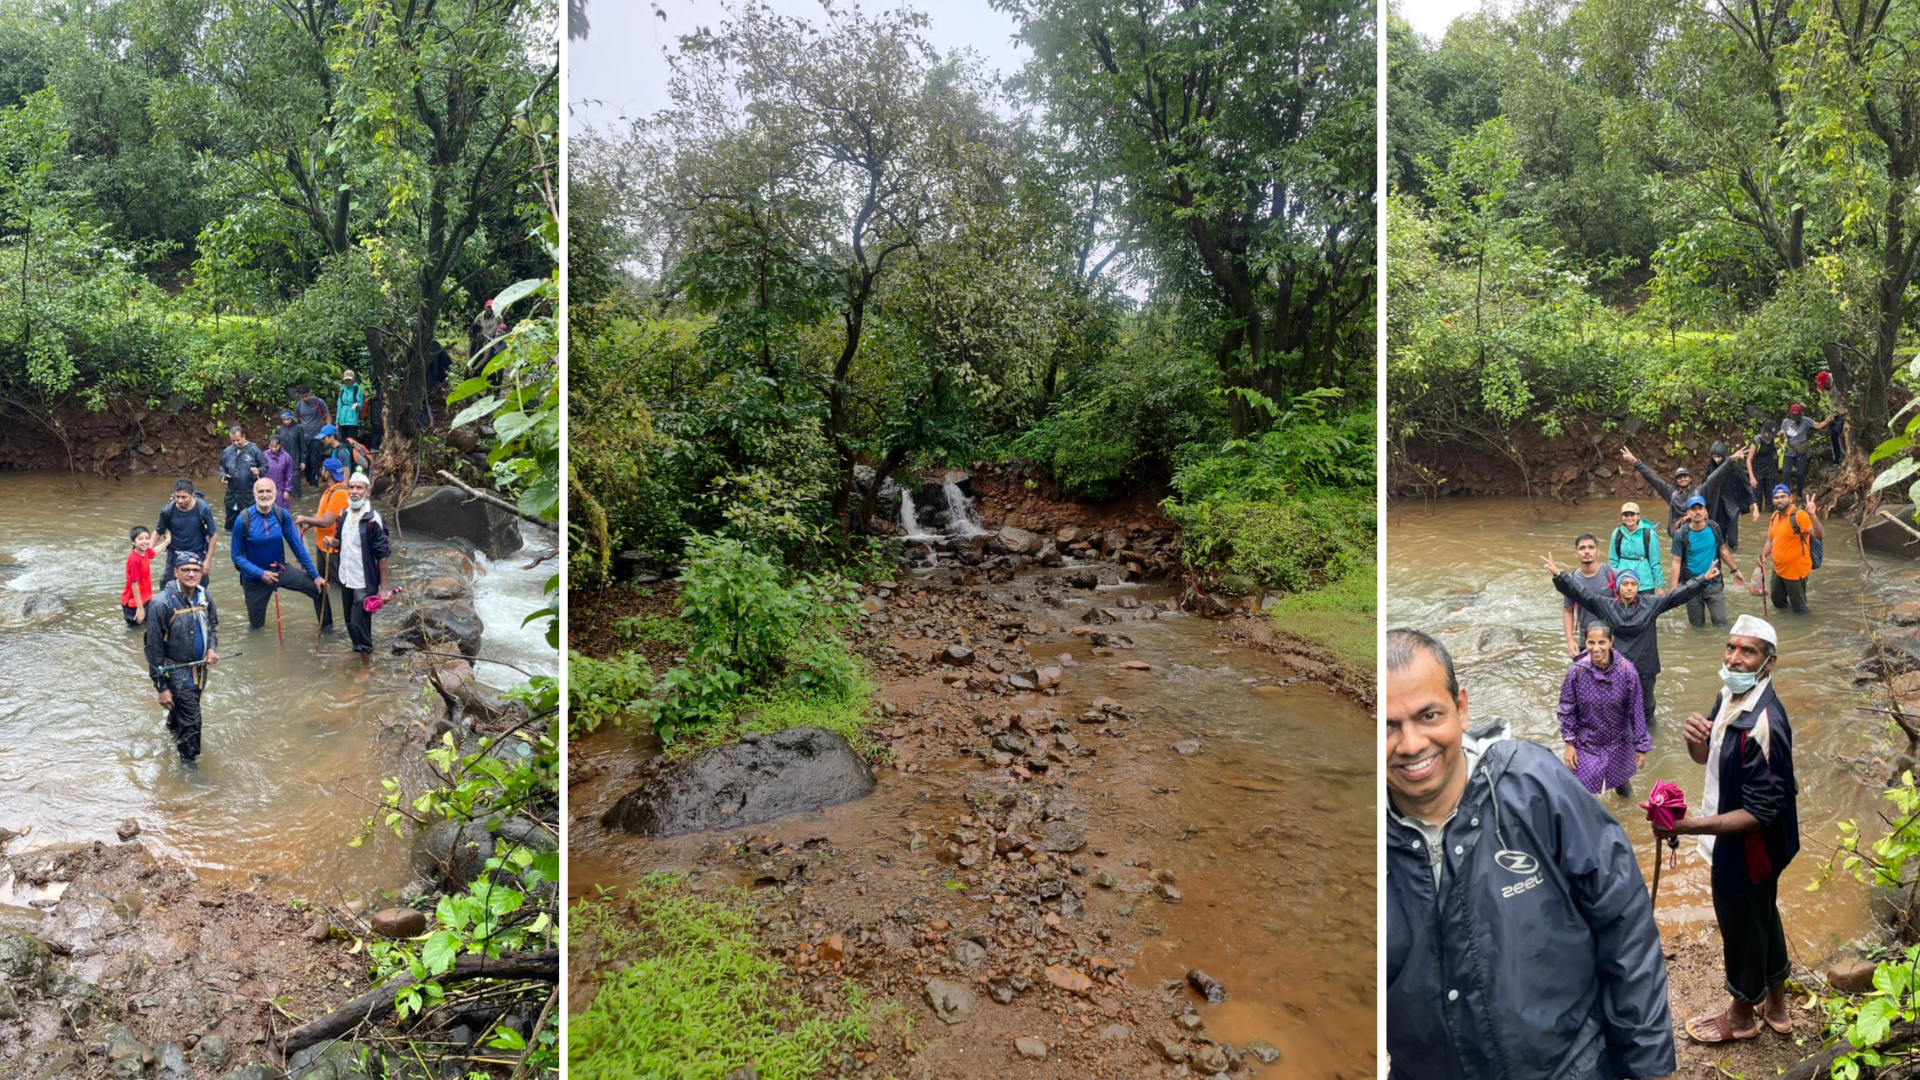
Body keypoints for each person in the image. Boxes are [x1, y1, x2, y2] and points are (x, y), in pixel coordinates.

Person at [1385, 628, 1675, 1080]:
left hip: (1571, 1067)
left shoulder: (1534, 787)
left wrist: (1647, 1065)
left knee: (1617, 790)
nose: (1410, 743)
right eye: (1387, 725)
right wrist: (1572, 740)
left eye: (1428, 715)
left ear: (1461, 708)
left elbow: (1624, 919)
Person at [1653, 615, 1799, 1044]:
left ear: (1768, 663)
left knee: (1739, 926)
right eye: (1732, 647)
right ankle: (1776, 1006)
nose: (1735, 658)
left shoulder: (1765, 722)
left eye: (1747, 651)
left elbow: (1762, 811)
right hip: (1740, 841)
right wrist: (1693, 740)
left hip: (1751, 846)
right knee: (1761, 916)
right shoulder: (1730, 694)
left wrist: (1690, 825)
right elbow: (1706, 759)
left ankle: (1740, 1016)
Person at [1552, 554, 1714, 726]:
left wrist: (1703, 579)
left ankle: (1649, 743)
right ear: (1619, 587)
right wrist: (1559, 575)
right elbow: (1582, 594)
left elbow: (1678, 595)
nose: (1629, 588)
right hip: (1618, 669)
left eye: (1633, 584)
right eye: (1625, 584)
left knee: (1646, 712)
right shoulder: (1607, 605)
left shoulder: (1651, 603)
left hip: (1645, 668)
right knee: (1617, 710)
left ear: (1638, 587)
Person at [143, 553, 219, 763]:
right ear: (176, 572)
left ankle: (170, 732)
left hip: (200, 671)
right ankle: (188, 770)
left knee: (183, 714)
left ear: (201, 573)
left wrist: (212, 649)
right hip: (176, 673)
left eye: (196, 570)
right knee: (193, 722)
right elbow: (153, 648)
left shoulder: (205, 596)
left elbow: (212, 626)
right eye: (185, 570)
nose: (191, 574)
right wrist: (161, 688)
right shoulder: (161, 604)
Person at [1558, 622, 1648, 798]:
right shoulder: (1576, 672)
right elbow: (1566, 709)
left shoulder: (1627, 671)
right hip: (1587, 741)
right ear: (1585, 642)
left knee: (1622, 786)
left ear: (1611, 641)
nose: (1596, 648)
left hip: (1619, 740)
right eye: (1591, 643)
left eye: (1602, 642)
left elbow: (1636, 711)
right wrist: (1569, 744)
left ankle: (1628, 819)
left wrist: (1641, 746)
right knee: (1581, 790)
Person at [230, 478, 326, 630]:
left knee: (320, 589)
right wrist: (261, 573)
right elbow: (236, 556)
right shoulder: (243, 520)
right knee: (256, 627)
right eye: (261, 491)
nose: (265, 495)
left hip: (281, 570)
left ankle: (327, 631)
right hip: (255, 579)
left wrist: (315, 575)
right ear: (254, 494)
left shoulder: (282, 515)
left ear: (275, 493)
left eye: (268, 491)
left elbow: (297, 547)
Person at [329, 471, 395, 675]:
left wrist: (383, 589)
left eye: (359, 488)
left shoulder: (373, 519)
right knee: (349, 620)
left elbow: (383, 554)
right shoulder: (344, 514)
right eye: (352, 487)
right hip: (346, 576)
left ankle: (367, 666)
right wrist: (333, 543)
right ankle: (357, 650)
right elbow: (340, 542)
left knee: (360, 622)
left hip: (364, 581)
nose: (355, 491)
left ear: (367, 492)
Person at [1670, 494, 1747, 629]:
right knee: (1697, 627)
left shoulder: (1714, 528)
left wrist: (1735, 570)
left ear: (1706, 512)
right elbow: (1676, 562)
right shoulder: (1680, 534)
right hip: (1691, 585)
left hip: (1714, 582)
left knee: (1722, 623)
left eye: (1700, 508)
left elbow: (1723, 549)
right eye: (1693, 509)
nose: (1697, 512)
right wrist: (1674, 590)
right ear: (1688, 513)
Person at [1623, 444, 1744, 529]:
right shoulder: (1670, 493)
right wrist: (1635, 462)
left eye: (1685, 476)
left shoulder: (1700, 492)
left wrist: (1730, 460)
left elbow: (1715, 478)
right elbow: (1653, 478)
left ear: (1690, 478)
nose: (1683, 479)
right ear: (1675, 481)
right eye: (1679, 477)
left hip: (1697, 532)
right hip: (1679, 535)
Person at [296, 458, 353, 632]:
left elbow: (328, 522)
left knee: (341, 588)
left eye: (323, 470)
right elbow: (323, 514)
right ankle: (326, 624)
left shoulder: (339, 493)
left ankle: (348, 625)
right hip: (323, 547)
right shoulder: (330, 491)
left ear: (326, 472)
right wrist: (311, 523)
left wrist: (305, 518)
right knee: (321, 585)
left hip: (333, 550)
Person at [1758, 485, 1821, 615]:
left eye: (1783, 497)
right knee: (1777, 601)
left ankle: (1804, 630)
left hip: (1795, 571)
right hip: (1778, 568)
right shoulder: (1775, 515)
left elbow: (1818, 535)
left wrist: (1813, 516)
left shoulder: (1799, 515)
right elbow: (1771, 539)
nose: (1779, 500)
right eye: (1776, 497)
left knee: (1799, 609)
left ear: (1790, 498)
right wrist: (1763, 555)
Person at [1561, 533, 1617, 657]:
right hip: (1586, 635)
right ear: (1576, 553)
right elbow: (1568, 610)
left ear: (1598, 552)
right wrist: (1570, 641)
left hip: (1612, 634)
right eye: (1582, 548)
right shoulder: (1572, 580)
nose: (1587, 551)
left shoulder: (1612, 574)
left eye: (1591, 547)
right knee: (1586, 673)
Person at [155, 479, 218, 581]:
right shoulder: (167, 510)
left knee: (200, 589)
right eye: (177, 497)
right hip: (174, 556)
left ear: (192, 495)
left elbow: (213, 535)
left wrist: (208, 560)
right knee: (166, 586)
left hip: (197, 555)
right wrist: (147, 551)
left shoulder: (203, 509)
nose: (180, 500)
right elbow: (158, 531)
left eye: (184, 497)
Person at [1705, 441, 1753, 551]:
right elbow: (1705, 485)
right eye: (1714, 457)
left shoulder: (1734, 466)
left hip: (1731, 502)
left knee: (1732, 530)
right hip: (1716, 502)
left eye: (1718, 457)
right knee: (1717, 531)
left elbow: (1745, 483)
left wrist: (1753, 503)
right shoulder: (1710, 467)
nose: (1716, 460)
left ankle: (1734, 549)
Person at [218, 427, 269, 530]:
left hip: (248, 497)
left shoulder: (254, 450)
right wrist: (223, 476)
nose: (235, 443)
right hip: (231, 496)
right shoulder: (227, 452)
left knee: (249, 527)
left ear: (243, 437)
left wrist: (258, 471)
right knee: (229, 528)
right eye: (233, 441)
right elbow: (222, 467)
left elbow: (265, 466)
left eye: (238, 440)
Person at [1609, 502, 1666, 595]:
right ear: (1622, 517)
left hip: (1645, 584)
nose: (1629, 518)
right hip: (1623, 582)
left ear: (1638, 516)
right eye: (1625, 515)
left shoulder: (1649, 534)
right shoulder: (1617, 533)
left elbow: (1655, 562)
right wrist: (1612, 582)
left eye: (1632, 514)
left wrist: (1660, 586)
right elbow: (1613, 560)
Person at [121, 526, 167, 627]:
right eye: (140, 539)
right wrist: (140, 608)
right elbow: (134, 585)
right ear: (133, 542)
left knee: (145, 627)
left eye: (147, 538)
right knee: (134, 630)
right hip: (133, 603)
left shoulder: (145, 552)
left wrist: (167, 541)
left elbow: (154, 553)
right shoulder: (134, 559)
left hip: (144, 599)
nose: (145, 541)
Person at [1779, 404, 1824, 496]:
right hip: (1789, 451)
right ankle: (1785, 494)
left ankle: (1799, 493)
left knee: (1800, 474)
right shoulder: (1785, 422)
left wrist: (1828, 420)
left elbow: (1818, 426)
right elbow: (1782, 437)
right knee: (1786, 473)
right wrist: (1781, 435)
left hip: (1801, 452)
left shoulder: (1805, 420)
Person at [294, 386, 332, 485]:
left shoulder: (319, 402)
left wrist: (327, 431)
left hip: (317, 436)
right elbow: (296, 418)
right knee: (305, 461)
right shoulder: (299, 405)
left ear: (310, 393)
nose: (305, 399)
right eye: (302, 397)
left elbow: (327, 415)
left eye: (307, 396)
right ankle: (309, 481)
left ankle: (315, 483)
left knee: (315, 460)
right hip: (304, 437)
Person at [1746, 429, 1781, 526]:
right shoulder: (1756, 441)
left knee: (1771, 497)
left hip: (1769, 472)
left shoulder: (1772, 439)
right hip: (1757, 474)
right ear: (1764, 432)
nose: (1771, 436)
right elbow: (1748, 460)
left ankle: (1770, 521)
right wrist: (1751, 477)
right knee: (1757, 500)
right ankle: (1757, 523)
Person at [274, 411, 305, 499]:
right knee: (282, 489)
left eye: (288, 419)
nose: (286, 421)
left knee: (296, 488)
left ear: (292, 418)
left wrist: (303, 460)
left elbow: (303, 445)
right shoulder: (279, 430)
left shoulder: (299, 428)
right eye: (284, 419)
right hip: (282, 461)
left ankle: (298, 504)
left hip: (295, 461)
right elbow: (276, 446)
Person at [264, 436, 298, 511]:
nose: (274, 449)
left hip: (281, 489)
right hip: (267, 488)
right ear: (269, 446)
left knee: (282, 512)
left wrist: (288, 490)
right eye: (271, 446)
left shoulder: (287, 457)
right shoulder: (264, 456)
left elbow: (289, 475)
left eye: (276, 446)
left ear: (280, 445)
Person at [336, 369, 366, 442]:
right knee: (343, 440)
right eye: (346, 380)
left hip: (352, 419)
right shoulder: (342, 389)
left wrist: (357, 405)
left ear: (353, 379)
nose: (348, 381)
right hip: (342, 419)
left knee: (352, 441)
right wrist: (337, 421)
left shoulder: (357, 388)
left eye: (349, 379)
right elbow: (339, 404)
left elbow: (360, 403)